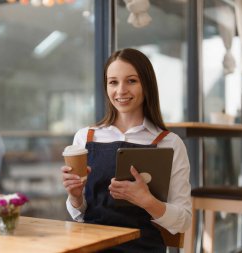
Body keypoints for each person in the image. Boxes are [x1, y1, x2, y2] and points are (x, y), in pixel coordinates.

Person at [61, 48, 191, 252]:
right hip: (91, 246)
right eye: (113, 82)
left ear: (146, 85)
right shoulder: (85, 137)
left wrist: (147, 201)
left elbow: (183, 221)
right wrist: (75, 196)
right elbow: (79, 214)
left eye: (131, 81)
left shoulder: (170, 143)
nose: (121, 90)